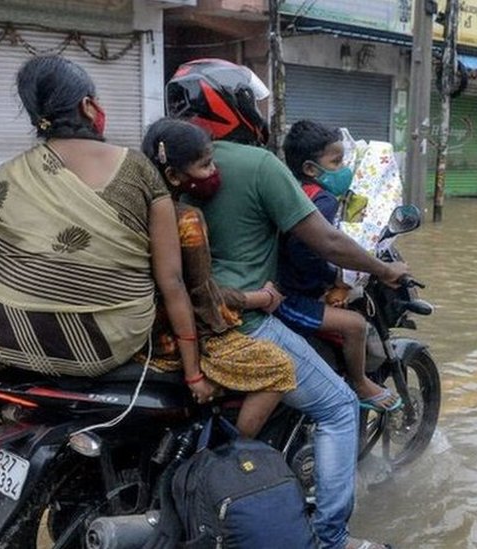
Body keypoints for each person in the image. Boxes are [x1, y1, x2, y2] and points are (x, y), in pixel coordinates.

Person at [166, 58, 408, 549]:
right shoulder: (258, 165)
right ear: (231, 105)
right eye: (251, 102)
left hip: (182, 319)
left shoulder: (166, 167)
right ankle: (331, 538)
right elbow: (327, 242)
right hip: (247, 320)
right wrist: (383, 269)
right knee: (340, 407)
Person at [0, 55, 199, 383]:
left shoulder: (11, 175)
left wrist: (30, 267)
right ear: (88, 106)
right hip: (101, 346)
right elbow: (171, 281)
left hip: (6, 341)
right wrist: (193, 372)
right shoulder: (138, 170)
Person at [140, 118, 296, 438]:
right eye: (205, 164)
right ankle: (235, 455)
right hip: (176, 340)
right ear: (173, 175)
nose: (213, 172)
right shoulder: (186, 219)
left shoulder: (134, 211)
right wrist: (259, 299)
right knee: (281, 368)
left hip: (140, 331)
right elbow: (198, 292)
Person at [278, 119, 402, 413]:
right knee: (356, 325)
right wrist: (337, 277)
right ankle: (360, 382)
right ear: (310, 168)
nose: (344, 168)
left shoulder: (296, 190)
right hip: (292, 299)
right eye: (336, 162)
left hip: (286, 286)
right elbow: (308, 252)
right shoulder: (320, 201)